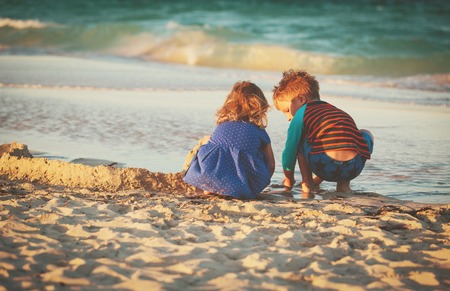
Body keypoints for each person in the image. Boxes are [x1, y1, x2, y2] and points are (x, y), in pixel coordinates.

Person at [272, 69, 374, 193]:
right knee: (364, 134)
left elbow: (289, 152)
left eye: (287, 111)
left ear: (301, 99)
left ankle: (308, 184)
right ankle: (343, 186)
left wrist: (289, 179)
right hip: (353, 167)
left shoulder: (301, 114)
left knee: (299, 140)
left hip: (325, 165)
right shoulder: (335, 110)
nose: (288, 117)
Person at [183, 81, 275, 199]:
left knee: (209, 143)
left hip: (208, 174)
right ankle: (235, 189)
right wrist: (259, 184)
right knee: (259, 154)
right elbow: (271, 165)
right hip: (241, 184)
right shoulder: (260, 131)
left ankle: (209, 188)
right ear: (260, 107)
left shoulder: (222, 124)